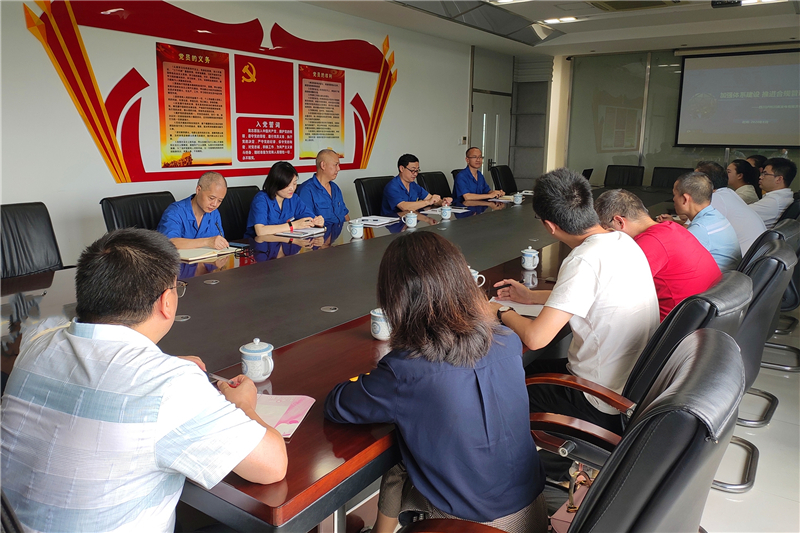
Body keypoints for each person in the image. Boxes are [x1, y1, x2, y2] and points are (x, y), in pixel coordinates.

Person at [1, 228, 287, 532]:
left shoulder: (40, 337)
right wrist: (242, 404)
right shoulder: (171, 386)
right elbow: (272, 466)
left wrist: (161, 365)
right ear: (166, 302)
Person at [325, 232, 547, 533]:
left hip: (471, 526)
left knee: (405, 451)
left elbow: (338, 405)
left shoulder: (406, 370)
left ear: (397, 300)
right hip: (532, 513)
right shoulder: (507, 339)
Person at [489, 168, 659, 439]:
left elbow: (536, 338)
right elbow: (592, 297)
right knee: (520, 371)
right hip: (629, 389)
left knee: (499, 390)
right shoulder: (623, 242)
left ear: (549, 226)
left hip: (599, 399)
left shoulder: (584, 259)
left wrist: (500, 310)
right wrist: (530, 297)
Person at [595, 189, 721, 321]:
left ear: (619, 222)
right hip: (703, 318)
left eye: (607, 230)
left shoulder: (649, 244)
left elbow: (614, 294)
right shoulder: (672, 228)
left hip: (674, 325)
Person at [658, 172, 741, 271]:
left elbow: (669, 260)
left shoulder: (701, 229)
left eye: (674, 195)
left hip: (718, 280)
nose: (673, 199)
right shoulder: (716, 217)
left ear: (685, 199)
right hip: (729, 276)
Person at [695, 161, 765, 255]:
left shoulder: (715, 198)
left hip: (741, 260)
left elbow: (689, 234)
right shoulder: (728, 193)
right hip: (752, 257)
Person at [245, 161, 324, 238]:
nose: (292, 188)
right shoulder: (261, 199)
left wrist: (318, 221)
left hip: (285, 242)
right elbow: (260, 231)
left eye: (294, 183)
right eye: (287, 185)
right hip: (258, 244)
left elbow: (310, 219)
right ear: (276, 183)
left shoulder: (294, 198)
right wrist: (293, 225)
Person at [157, 171, 229, 249]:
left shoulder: (214, 213)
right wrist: (207, 242)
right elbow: (170, 242)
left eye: (219, 201)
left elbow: (219, 241)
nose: (215, 204)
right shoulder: (175, 211)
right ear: (198, 190)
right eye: (211, 198)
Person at [381, 154, 452, 217]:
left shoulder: (413, 185)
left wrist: (442, 202)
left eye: (417, 170)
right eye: (412, 170)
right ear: (402, 168)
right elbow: (404, 207)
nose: (415, 174)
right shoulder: (392, 187)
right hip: (393, 223)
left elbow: (430, 198)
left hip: (410, 219)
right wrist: (428, 202)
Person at [296, 149, 350, 225]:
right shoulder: (306, 191)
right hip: (321, 232)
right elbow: (306, 223)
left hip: (339, 231)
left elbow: (345, 215)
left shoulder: (335, 188)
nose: (338, 169)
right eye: (335, 165)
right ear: (323, 165)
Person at [748, 157, 797, 229]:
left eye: (765, 173)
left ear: (779, 179)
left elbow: (739, 214)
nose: (760, 177)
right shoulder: (785, 197)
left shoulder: (774, 201)